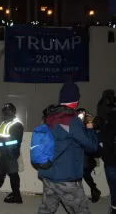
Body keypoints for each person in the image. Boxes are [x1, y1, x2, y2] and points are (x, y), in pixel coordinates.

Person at [37, 82, 98, 214]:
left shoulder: (49, 117)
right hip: (66, 178)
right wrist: (89, 125)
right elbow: (92, 146)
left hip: (48, 174)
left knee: (46, 211)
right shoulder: (72, 120)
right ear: (76, 100)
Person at [96, 89, 116, 214]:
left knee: (113, 185)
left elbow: (101, 136)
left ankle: (114, 208)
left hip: (110, 156)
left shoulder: (104, 116)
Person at [77, 108, 101, 203]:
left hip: (87, 156)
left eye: (83, 114)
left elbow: (93, 138)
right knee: (84, 175)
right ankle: (94, 190)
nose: (81, 116)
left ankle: (93, 190)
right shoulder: (75, 124)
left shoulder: (89, 124)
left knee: (83, 174)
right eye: (79, 114)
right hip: (80, 155)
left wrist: (89, 121)